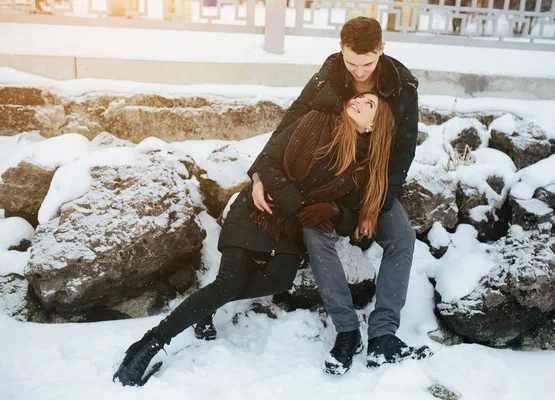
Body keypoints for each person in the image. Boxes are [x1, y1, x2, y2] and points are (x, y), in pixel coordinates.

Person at [113, 92, 394, 386]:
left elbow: (351, 216)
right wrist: (298, 205)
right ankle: (150, 343)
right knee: (229, 283)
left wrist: (333, 209)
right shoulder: (317, 121)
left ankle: (205, 306)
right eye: (360, 97)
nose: (359, 101)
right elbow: (269, 161)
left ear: (373, 126)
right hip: (257, 208)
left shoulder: (363, 170)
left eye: (369, 104)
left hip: (289, 229)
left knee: (280, 279)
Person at [249, 16, 432, 374]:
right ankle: (347, 330)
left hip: (372, 183)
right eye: (352, 62)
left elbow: (402, 154)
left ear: (382, 49)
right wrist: (260, 173)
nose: (360, 72)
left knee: (402, 237)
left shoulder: (403, 85)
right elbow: (288, 126)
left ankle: (383, 335)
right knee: (316, 233)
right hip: (329, 184)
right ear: (340, 48)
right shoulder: (328, 76)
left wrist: (374, 208)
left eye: (367, 63)